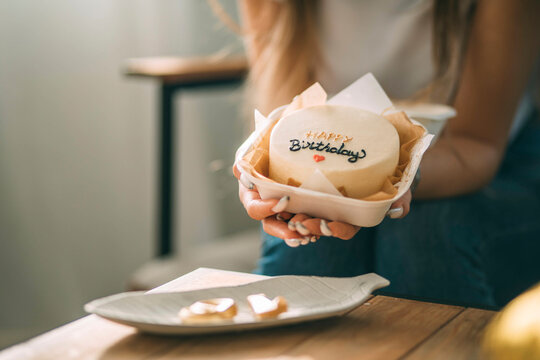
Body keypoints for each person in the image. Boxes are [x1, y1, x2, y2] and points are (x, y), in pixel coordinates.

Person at [228, 0, 540, 308]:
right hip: (338, 162)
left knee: (423, 231)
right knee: (311, 246)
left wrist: (396, 180)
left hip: (501, 164)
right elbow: (286, 133)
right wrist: (266, 179)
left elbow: (476, 146)